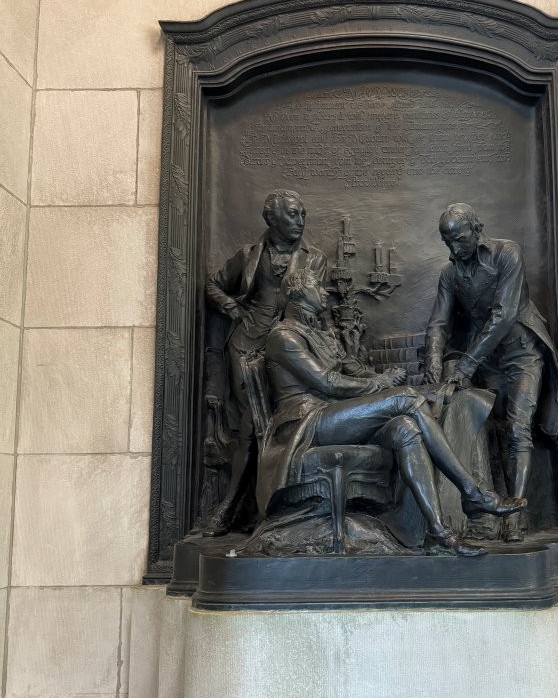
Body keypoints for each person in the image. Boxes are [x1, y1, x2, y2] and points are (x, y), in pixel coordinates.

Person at [259, 268, 522, 556]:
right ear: (298, 292)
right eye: (317, 286)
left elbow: (350, 370)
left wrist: (381, 379)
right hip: (307, 423)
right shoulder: (283, 337)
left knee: (405, 429)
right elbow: (328, 382)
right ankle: (473, 493)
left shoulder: (320, 333)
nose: (324, 292)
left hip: (334, 416)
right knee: (407, 399)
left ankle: (437, 533)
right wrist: (380, 384)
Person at [424, 203, 558, 534]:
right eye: (447, 241)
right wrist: (433, 360)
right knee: (495, 432)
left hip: (521, 352)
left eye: (458, 239)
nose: (453, 249)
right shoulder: (450, 274)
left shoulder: (507, 255)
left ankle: (516, 516)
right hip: (488, 360)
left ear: (476, 230)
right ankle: (498, 509)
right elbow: (439, 323)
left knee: (518, 429)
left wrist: (466, 365)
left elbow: (503, 315)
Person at [203, 190, 327, 535]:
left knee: (281, 425)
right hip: (248, 347)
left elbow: (314, 306)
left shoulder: (314, 258)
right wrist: (234, 309)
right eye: (292, 214)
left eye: (303, 214)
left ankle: (272, 507)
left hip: (288, 347)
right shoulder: (248, 256)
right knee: (251, 426)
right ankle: (232, 508)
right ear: (271, 219)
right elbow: (213, 286)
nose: (300, 221)